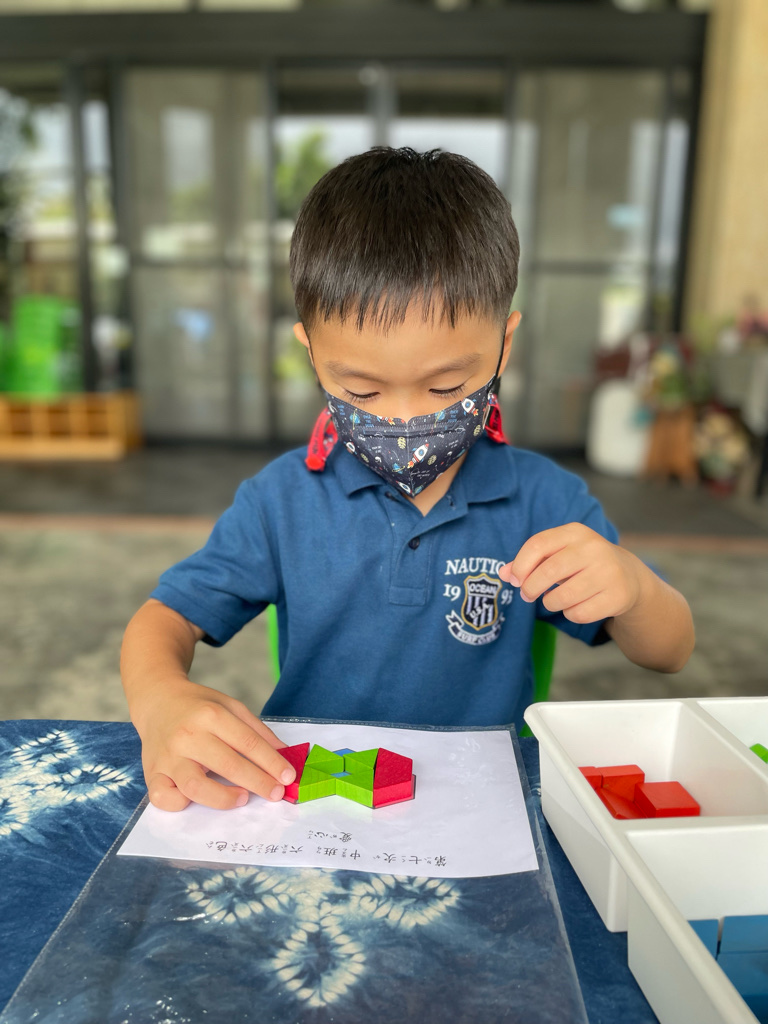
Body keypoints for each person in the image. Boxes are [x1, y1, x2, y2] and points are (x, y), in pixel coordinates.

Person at [121, 147, 694, 814]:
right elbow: (164, 618)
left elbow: (670, 650)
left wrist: (632, 587)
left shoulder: (545, 501)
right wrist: (159, 698)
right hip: (315, 806)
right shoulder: (281, 502)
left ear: (504, 346)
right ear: (312, 354)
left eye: (445, 386)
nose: (403, 419)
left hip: (480, 810)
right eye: (361, 389)